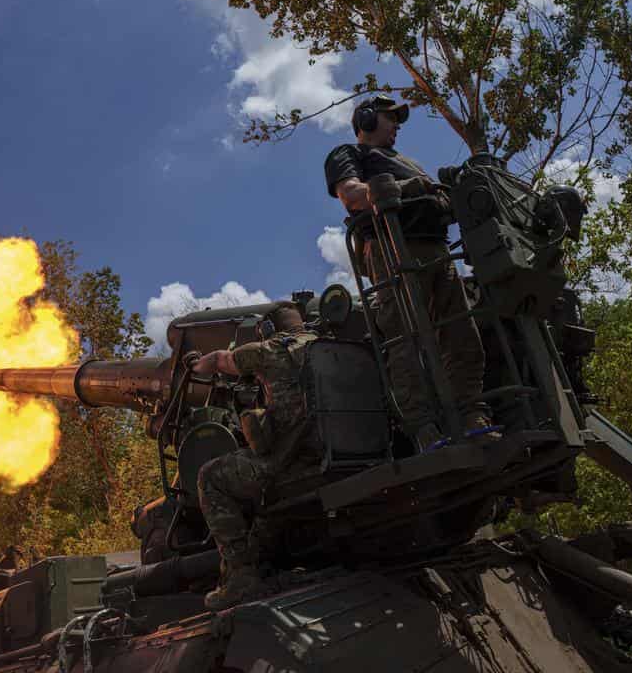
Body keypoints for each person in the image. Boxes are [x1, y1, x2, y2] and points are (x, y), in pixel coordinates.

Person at [324, 94, 489, 449]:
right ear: (366, 121)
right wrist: (400, 188)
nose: (397, 125)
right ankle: (423, 427)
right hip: (392, 248)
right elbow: (352, 195)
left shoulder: (409, 162)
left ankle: (472, 412)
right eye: (390, 118)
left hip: (437, 251)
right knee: (406, 337)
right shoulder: (349, 154)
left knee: (461, 331)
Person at [189, 303, 322, 610]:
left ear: (272, 330)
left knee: (212, 477)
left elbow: (221, 361)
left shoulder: (272, 349)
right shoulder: (325, 344)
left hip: (295, 462)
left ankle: (240, 579)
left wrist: (196, 364)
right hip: (332, 455)